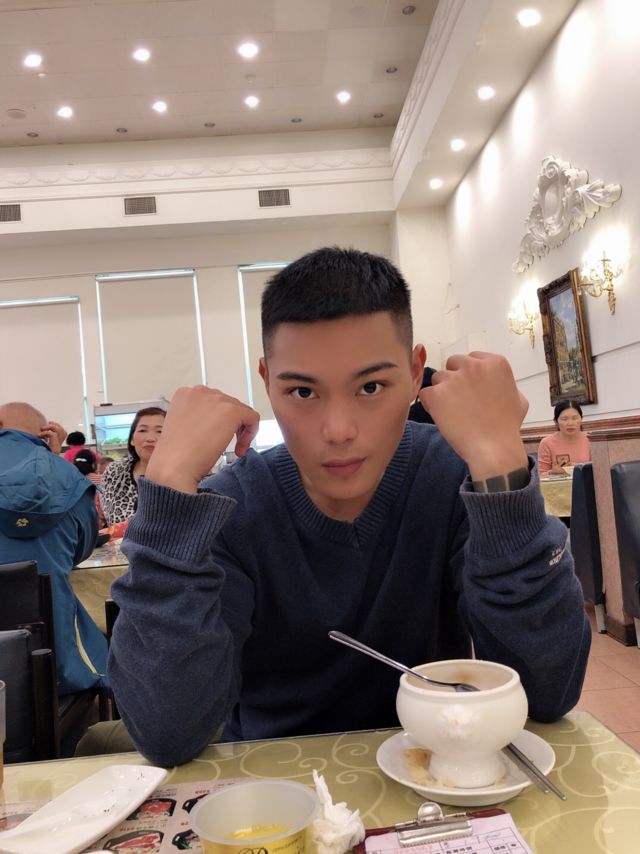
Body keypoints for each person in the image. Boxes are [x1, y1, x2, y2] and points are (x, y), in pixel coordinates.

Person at [108, 246, 590, 767]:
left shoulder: (457, 480)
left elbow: (547, 691)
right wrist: (169, 493)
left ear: (415, 373)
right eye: (303, 392)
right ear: (267, 381)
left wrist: (501, 466)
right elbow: (167, 733)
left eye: (371, 386)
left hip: (441, 771)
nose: (338, 431)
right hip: (272, 786)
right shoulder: (231, 507)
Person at [0, 402, 108, 694]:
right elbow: (80, 549)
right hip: (52, 659)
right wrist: (54, 456)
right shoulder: (69, 477)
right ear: (45, 432)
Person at [100, 408, 166, 525]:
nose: (150, 438)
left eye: (159, 431)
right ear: (132, 439)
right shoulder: (115, 472)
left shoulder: (186, 475)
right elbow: (109, 519)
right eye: (142, 430)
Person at [537, 401, 591, 475]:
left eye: (575, 418)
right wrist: (553, 472)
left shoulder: (591, 439)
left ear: (581, 419)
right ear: (556, 421)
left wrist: (574, 468)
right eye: (564, 419)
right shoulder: (547, 443)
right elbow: (541, 475)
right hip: (558, 482)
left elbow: (598, 469)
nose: (570, 423)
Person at [74, 448, 106, 528]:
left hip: (74, 520)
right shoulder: (101, 479)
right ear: (93, 464)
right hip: (97, 520)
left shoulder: (69, 479)